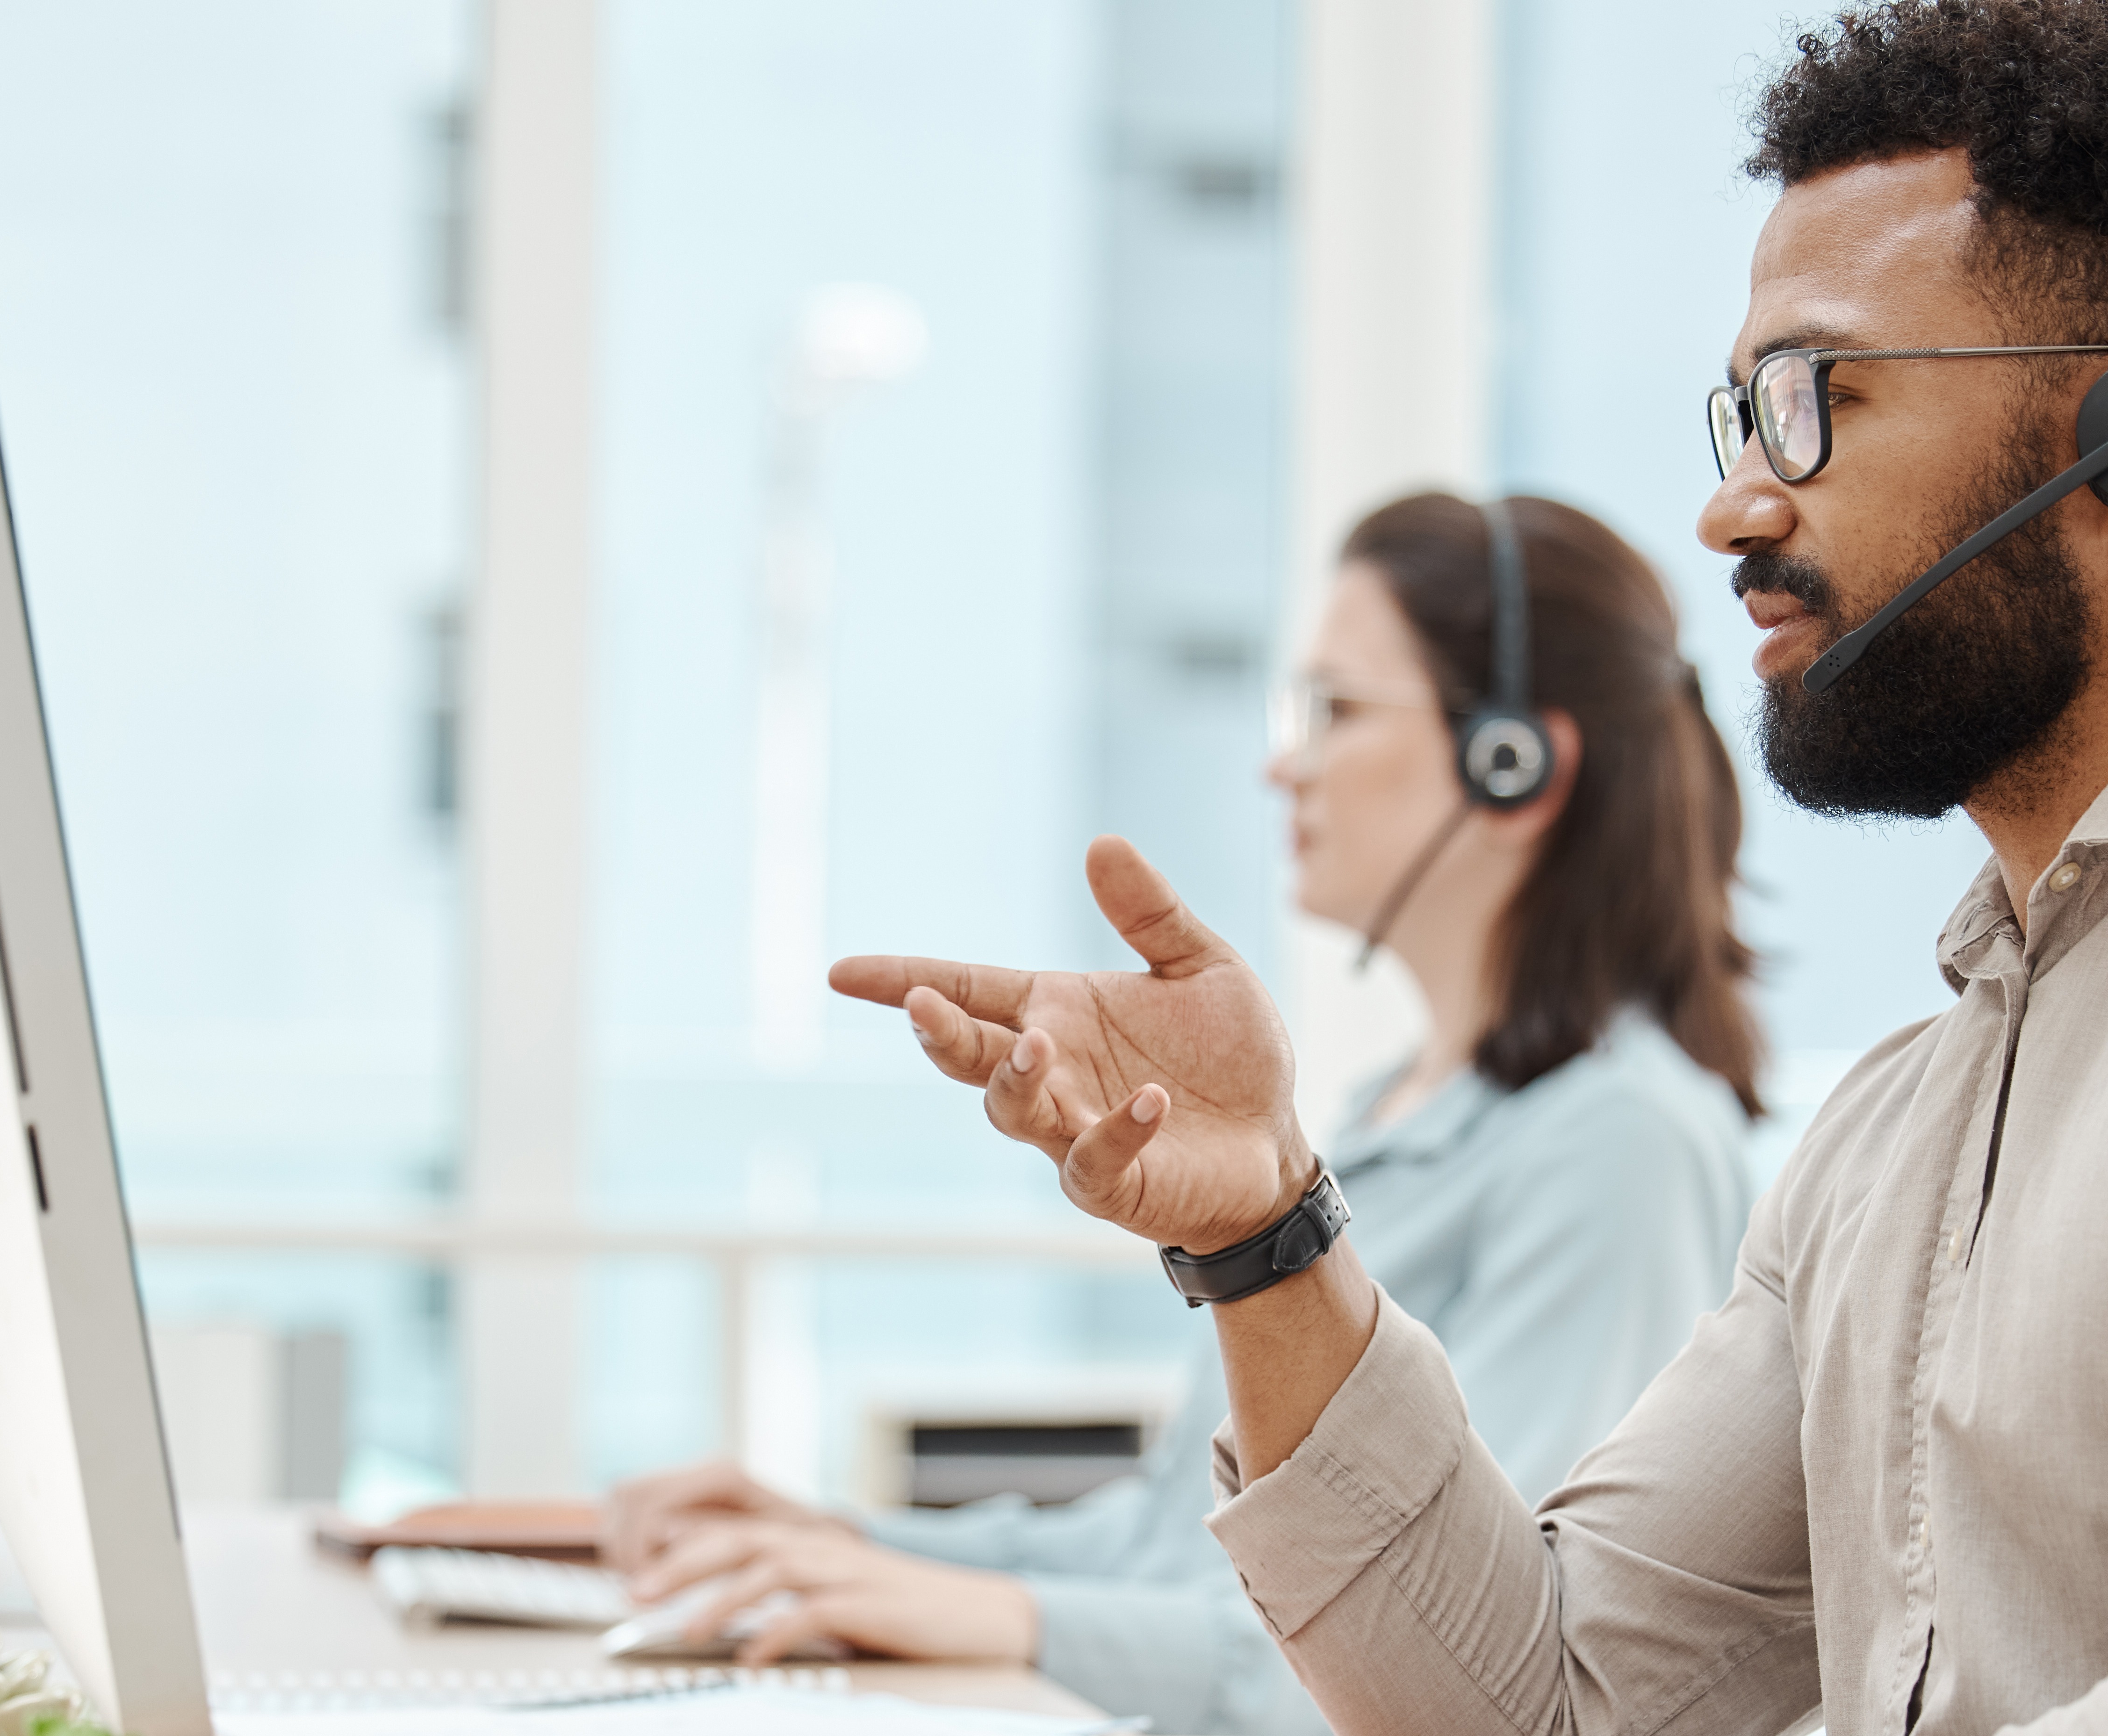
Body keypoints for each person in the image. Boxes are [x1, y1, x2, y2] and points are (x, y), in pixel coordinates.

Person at [834, 5, 2108, 1734]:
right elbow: (1540, 1700)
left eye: (1809, 396)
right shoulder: (1917, 1110)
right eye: (1736, 409)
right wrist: (1269, 1234)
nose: (1730, 498)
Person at [602, 492, 1770, 1734]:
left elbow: (1463, 1654)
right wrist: (839, 1538)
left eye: (1336, 709)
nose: (1283, 760)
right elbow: (1169, 1542)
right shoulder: (1392, 1109)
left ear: (1513, 762)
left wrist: (1006, 1619)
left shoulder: (1622, 1147)